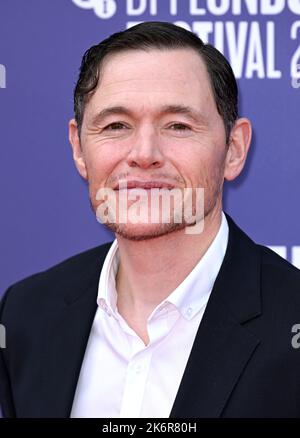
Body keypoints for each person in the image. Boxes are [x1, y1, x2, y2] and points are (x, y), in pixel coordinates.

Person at [1, 21, 300, 419]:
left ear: (234, 149)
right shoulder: (24, 314)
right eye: (116, 126)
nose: (144, 154)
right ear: (78, 148)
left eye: (178, 125)